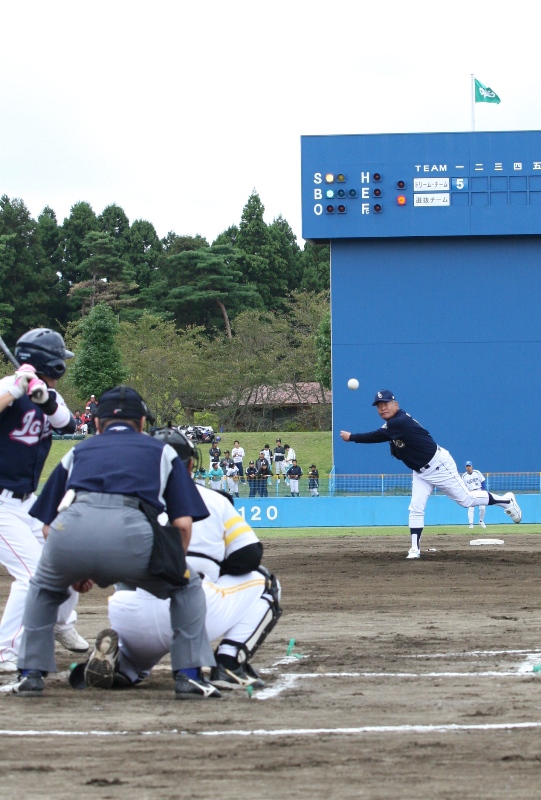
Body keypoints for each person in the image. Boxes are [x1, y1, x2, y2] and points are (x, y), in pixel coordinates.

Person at [11, 385, 220, 700]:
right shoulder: (161, 451)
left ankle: (30, 675)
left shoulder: (78, 451)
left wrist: (74, 567)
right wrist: (173, 567)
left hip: (71, 533)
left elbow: (46, 525)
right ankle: (189, 677)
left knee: (41, 588)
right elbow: (182, 524)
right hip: (133, 536)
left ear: (97, 423)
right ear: (141, 423)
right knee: (187, 587)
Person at [69, 429, 282, 692]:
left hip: (130, 613)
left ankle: (123, 664)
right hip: (195, 610)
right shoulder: (215, 500)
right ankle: (229, 663)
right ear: (190, 465)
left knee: (137, 643)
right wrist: (214, 563)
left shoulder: (122, 500)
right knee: (266, 582)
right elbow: (249, 556)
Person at [340, 389, 521, 560]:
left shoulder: (399, 421)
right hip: (420, 472)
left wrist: (352, 437)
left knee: (467, 501)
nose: (382, 408)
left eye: (386, 403)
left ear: (396, 404)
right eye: (379, 406)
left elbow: (377, 436)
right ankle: (414, 549)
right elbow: (393, 444)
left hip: (438, 465)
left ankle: (506, 501)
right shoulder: (392, 426)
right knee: (415, 507)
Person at [0, 328, 88, 673]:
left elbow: (66, 424)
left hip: (28, 502)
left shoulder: (48, 393)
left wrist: (43, 398)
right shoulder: (9, 384)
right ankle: (6, 649)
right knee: (33, 575)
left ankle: (61, 622)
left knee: (67, 555)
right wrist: (15, 389)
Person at [462, 461, 487, 528]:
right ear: (465, 467)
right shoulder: (464, 476)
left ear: (472, 466)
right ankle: (471, 524)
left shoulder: (477, 472)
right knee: (471, 509)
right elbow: (463, 487)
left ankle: (481, 521)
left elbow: (483, 482)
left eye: (469, 466)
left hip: (479, 491)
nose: (468, 467)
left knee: (482, 508)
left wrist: (483, 491)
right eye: (467, 466)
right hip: (471, 492)